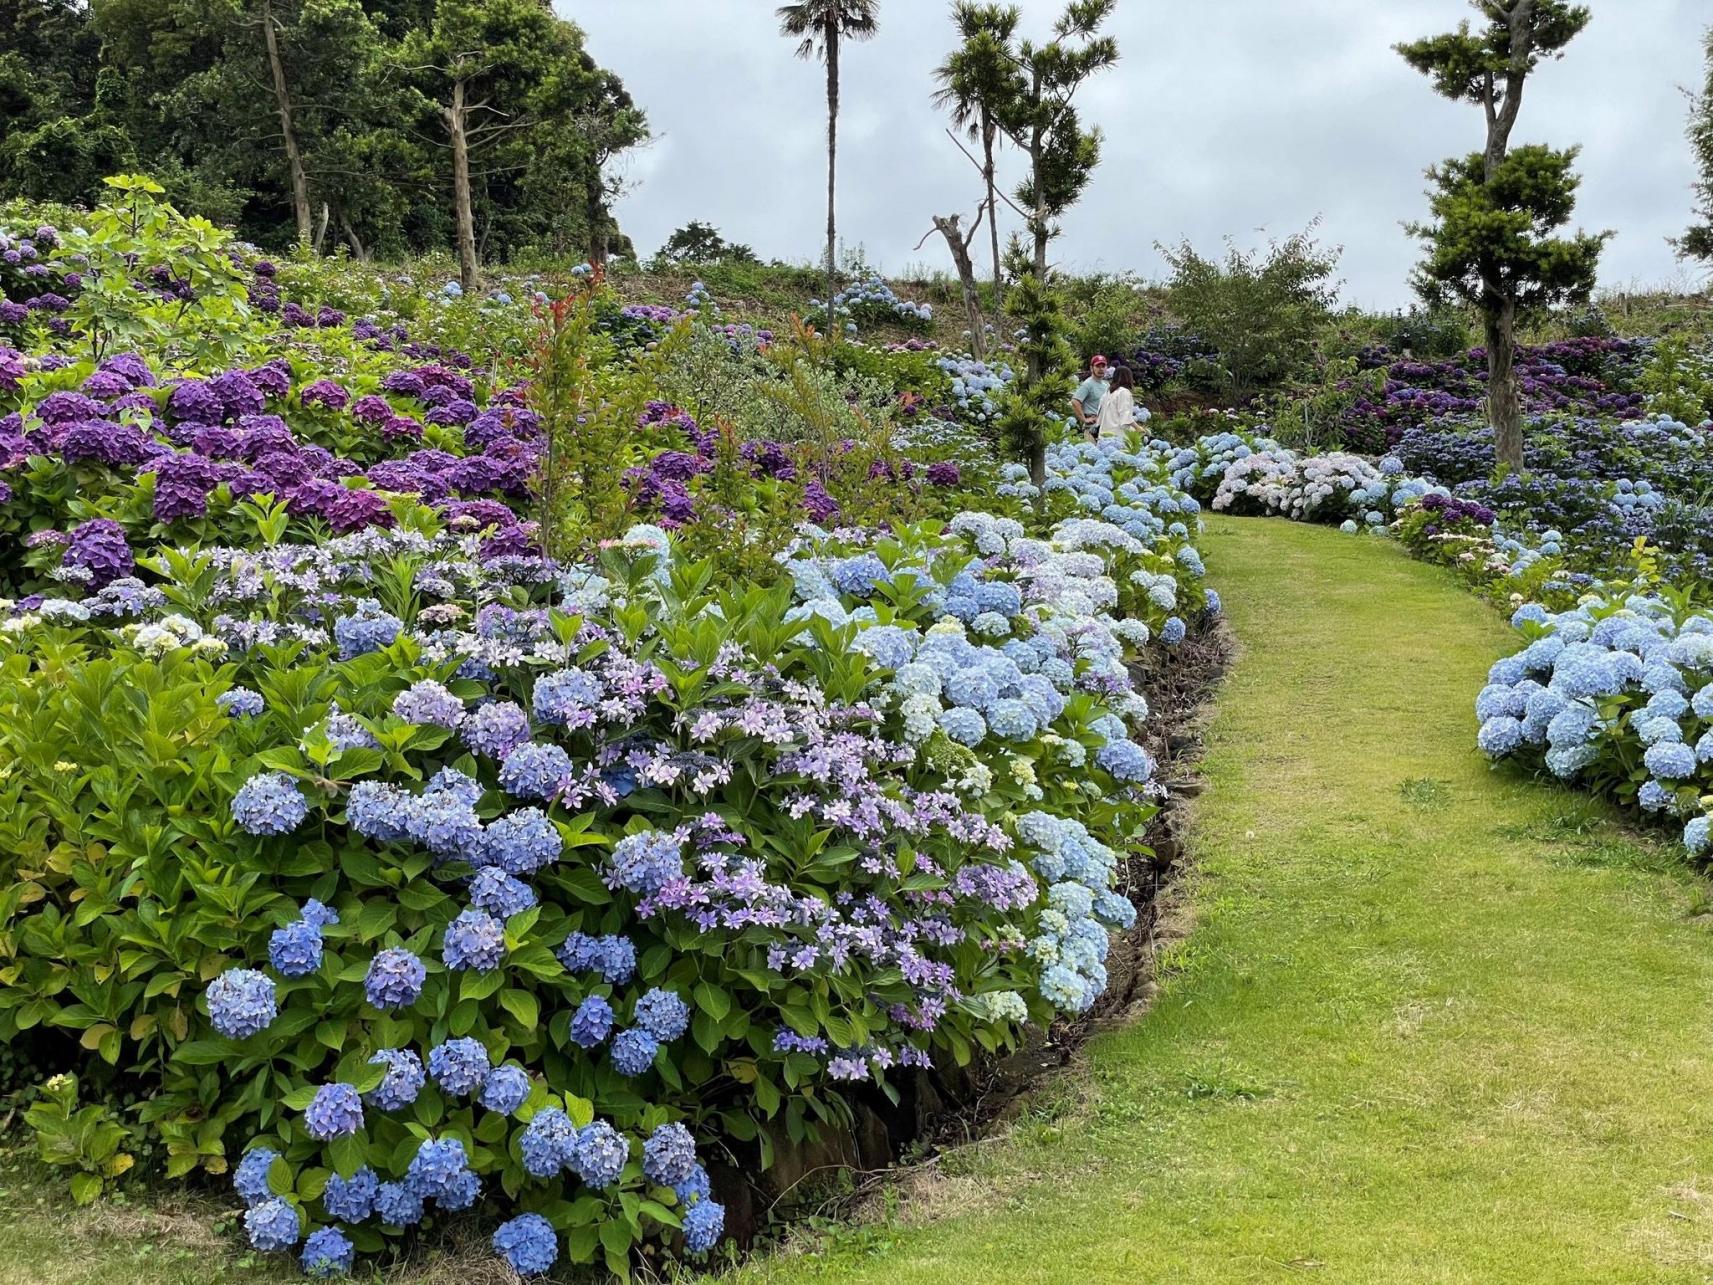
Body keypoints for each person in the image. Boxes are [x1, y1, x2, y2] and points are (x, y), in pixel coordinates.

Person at [1095, 365, 1137, 443]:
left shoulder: (1108, 392)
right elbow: (1125, 415)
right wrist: (1138, 427)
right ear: (1128, 377)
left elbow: (1099, 413)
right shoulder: (1124, 392)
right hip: (1117, 436)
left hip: (1104, 434)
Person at [1070, 355, 1110, 430]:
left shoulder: (1106, 384)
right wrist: (1084, 419)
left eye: (1103, 366)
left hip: (1104, 424)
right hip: (1092, 427)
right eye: (1098, 366)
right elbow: (1075, 401)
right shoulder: (1088, 384)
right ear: (1091, 368)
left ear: (1106, 368)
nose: (1101, 369)